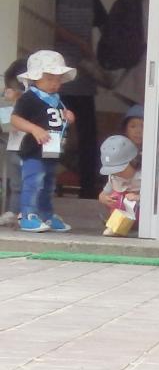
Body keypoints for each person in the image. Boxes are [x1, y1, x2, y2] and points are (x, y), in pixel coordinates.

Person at [47, 0, 107, 199]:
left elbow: (104, 25)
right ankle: (47, 185)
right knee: (52, 130)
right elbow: (48, 22)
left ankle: (88, 188)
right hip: (55, 73)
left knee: (88, 133)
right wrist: (80, 43)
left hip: (82, 74)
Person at [11, 50, 79, 234]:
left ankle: (46, 214)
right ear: (35, 78)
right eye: (49, 79)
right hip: (34, 151)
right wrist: (34, 129)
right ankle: (28, 215)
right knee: (33, 183)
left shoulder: (56, 100)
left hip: (52, 151)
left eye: (58, 80)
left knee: (48, 185)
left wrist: (68, 118)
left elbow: (56, 120)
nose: (55, 84)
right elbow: (15, 119)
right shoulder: (29, 98)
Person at [97, 132, 141, 234]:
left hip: (140, 213)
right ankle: (115, 226)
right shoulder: (114, 177)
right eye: (113, 171)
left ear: (133, 161)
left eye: (120, 170)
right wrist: (103, 198)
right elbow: (104, 193)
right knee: (116, 196)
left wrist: (138, 197)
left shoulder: (141, 176)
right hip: (122, 214)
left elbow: (154, 196)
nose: (117, 174)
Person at [0, 57, 24, 230]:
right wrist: (8, 101)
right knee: (15, 183)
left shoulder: (37, 99)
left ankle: (27, 212)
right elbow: (7, 125)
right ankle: (13, 211)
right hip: (12, 144)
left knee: (30, 183)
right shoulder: (6, 100)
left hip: (31, 147)